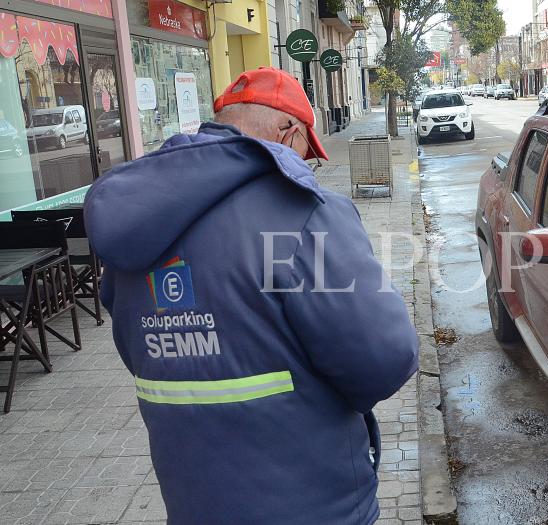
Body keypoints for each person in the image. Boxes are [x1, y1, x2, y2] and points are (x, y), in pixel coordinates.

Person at [84, 67, 419, 524]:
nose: (307, 164)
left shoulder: (137, 218)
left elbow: (137, 351)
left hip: (193, 502)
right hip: (314, 503)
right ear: (288, 133)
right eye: (307, 149)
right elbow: (385, 357)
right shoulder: (302, 214)